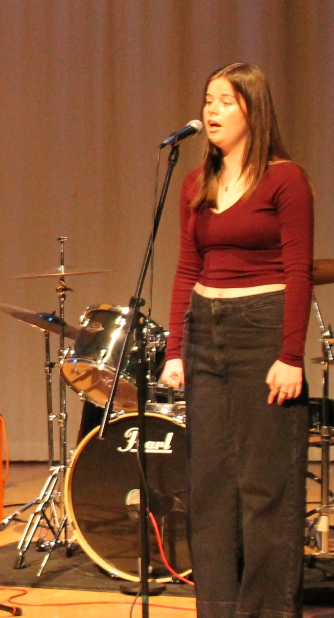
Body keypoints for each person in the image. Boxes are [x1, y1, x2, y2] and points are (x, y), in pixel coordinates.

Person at [159, 63, 313, 618]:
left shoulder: (285, 179)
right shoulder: (194, 185)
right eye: (208, 100)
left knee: (266, 488)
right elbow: (184, 268)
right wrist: (175, 349)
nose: (212, 111)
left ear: (253, 110)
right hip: (207, 333)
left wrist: (290, 356)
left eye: (225, 101)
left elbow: (298, 271)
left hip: (262, 331)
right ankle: (219, 609)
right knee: (212, 487)